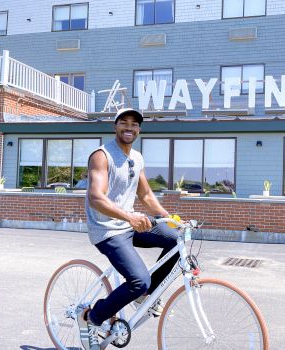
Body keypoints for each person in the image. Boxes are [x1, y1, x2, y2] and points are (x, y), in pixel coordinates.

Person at [77, 108, 178, 350]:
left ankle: (146, 294)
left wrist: (167, 218)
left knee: (174, 239)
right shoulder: (101, 156)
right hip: (107, 229)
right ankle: (92, 318)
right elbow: (96, 198)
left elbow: (145, 194)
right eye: (124, 123)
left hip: (129, 224)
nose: (129, 127)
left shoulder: (137, 158)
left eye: (134, 124)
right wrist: (129, 217)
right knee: (138, 280)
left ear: (139, 129)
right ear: (115, 126)